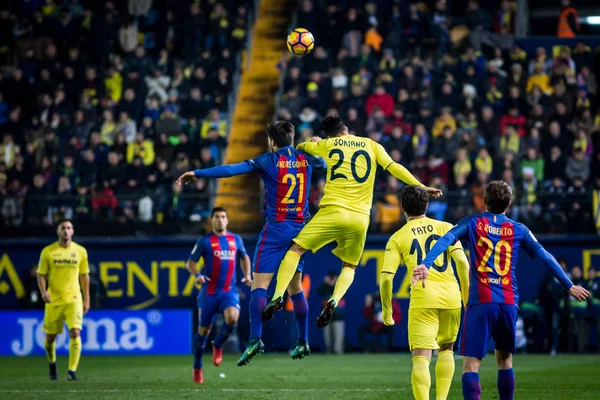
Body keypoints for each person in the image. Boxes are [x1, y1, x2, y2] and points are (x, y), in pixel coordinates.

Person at [412, 180, 590, 400]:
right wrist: (569, 285)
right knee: (505, 361)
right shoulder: (519, 229)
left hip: (481, 302)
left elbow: (447, 239)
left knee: (470, 366)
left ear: (485, 201)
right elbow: (545, 256)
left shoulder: (473, 222)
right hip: (507, 302)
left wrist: (426, 264)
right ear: (509, 203)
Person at [262, 114, 441, 328]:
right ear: (346, 128)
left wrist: (314, 143)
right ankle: (334, 300)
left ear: (329, 134)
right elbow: (394, 167)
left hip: (332, 211)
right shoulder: (371, 145)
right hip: (359, 218)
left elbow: (299, 147)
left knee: (296, 250)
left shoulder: (328, 144)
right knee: (350, 266)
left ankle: (278, 295)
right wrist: (422, 186)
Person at [176, 121, 324, 366]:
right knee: (295, 288)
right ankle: (303, 340)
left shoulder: (268, 160)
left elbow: (231, 170)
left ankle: (255, 339)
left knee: (259, 286)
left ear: (272, 141)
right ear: (293, 137)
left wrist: (198, 173)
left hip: (276, 229)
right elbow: (325, 163)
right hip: (301, 231)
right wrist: (317, 146)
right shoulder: (306, 157)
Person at [380, 185, 470, 400]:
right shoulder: (446, 227)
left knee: (421, 358)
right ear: (427, 205)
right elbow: (462, 264)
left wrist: (386, 311)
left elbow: (385, 278)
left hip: (423, 298)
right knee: (446, 350)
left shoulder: (397, 237)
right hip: (451, 297)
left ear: (402, 207)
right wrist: (466, 298)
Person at [185, 207, 252, 384]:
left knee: (232, 317)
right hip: (209, 292)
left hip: (229, 291)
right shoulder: (205, 240)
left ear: (227, 220)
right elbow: (191, 262)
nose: (220, 220)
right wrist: (197, 274)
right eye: (217, 217)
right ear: (212, 220)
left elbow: (244, 257)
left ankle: (218, 344)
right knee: (203, 331)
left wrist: (247, 275)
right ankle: (197, 367)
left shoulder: (235, 239)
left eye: (223, 217)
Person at [37, 219, 90, 381]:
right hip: (54, 299)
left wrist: (86, 298)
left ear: (73, 231)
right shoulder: (48, 251)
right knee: (50, 338)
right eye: (63, 228)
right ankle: (52, 363)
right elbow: (41, 274)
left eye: (69, 228)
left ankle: (71, 371)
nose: (66, 231)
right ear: (58, 231)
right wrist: (43, 292)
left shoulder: (80, 251)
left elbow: (84, 275)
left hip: (73, 297)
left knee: (75, 331)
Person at [317, 270, 346, 354]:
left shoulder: (341, 286)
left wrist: (335, 283)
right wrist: (326, 283)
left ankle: (338, 352)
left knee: (338, 337)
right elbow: (319, 291)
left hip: (338, 316)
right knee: (327, 337)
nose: (332, 279)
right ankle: (329, 351)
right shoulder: (324, 287)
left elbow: (341, 294)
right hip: (326, 315)